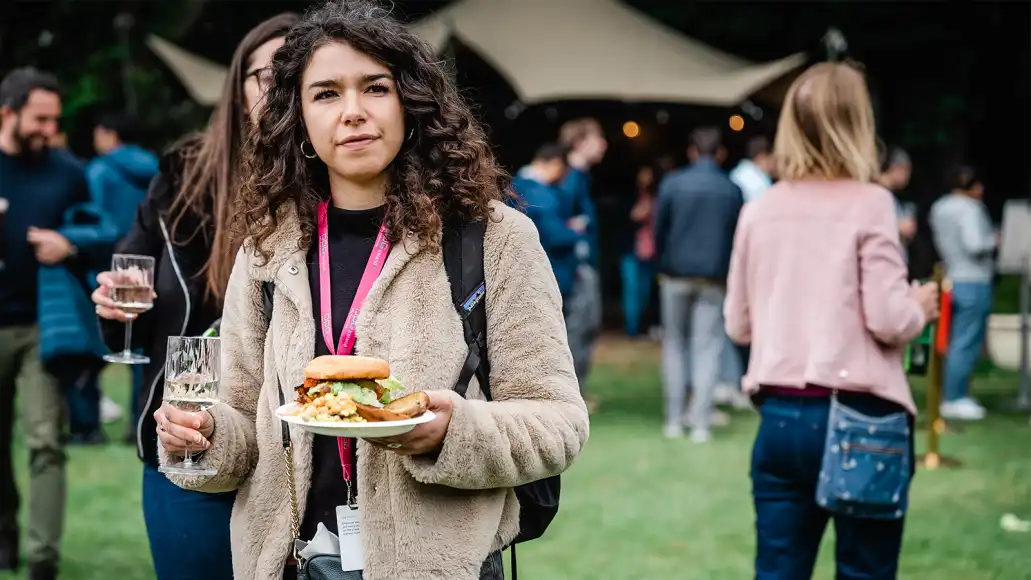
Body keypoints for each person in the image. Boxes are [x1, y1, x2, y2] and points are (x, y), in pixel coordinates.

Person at [150, 2, 589, 579]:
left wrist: (451, 432)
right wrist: (201, 433)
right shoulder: (266, 248)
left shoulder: (494, 239)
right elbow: (239, 424)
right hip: (288, 564)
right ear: (298, 119)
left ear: (411, 101)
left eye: (375, 87)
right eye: (326, 94)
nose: (353, 112)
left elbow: (559, 423)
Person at [90, 13, 300, 580]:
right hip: (191, 404)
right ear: (238, 89)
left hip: (299, 438)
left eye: (295, 74)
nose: (279, 90)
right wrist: (114, 307)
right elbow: (130, 284)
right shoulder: (184, 176)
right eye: (265, 77)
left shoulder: (339, 183)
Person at [725, 61, 939, 579]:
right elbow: (890, 318)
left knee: (778, 570)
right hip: (863, 416)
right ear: (860, 123)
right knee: (865, 571)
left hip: (780, 417)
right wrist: (921, 308)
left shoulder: (761, 208)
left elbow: (738, 323)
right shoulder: (872, 203)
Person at [0, 66, 87, 580]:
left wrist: (69, 244)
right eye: (39, 118)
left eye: (54, 120)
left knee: (44, 442)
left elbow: (106, 235)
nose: (49, 130)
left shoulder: (68, 172)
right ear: (7, 112)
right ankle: (4, 532)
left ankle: (42, 560)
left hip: (44, 327)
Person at [61, 112, 159, 445]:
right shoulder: (156, 167)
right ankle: (139, 424)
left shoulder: (100, 170)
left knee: (90, 353)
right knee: (138, 352)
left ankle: (87, 427)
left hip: (102, 271)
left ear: (108, 133)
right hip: (149, 269)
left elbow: (98, 223)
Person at [654, 126, 743, 442]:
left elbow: (659, 229)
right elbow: (737, 236)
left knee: (674, 346)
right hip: (714, 277)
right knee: (707, 348)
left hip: (675, 275)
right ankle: (701, 424)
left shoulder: (673, 183)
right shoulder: (731, 188)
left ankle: (674, 420)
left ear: (692, 151)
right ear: (720, 153)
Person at [929, 164, 996, 421]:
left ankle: (951, 393)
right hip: (974, 279)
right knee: (966, 342)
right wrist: (994, 240)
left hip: (950, 277)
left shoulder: (940, 207)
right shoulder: (971, 209)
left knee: (953, 339)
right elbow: (975, 244)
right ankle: (955, 397)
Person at [557, 118, 607, 405]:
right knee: (579, 326)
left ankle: (577, 392)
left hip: (581, 266)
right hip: (575, 268)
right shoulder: (569, 179)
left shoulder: (578, 177)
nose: (603, 144)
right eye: (596, 138)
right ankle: (572, 397)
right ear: (579, 143)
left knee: (585, 326)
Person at [514, 143, 586, 300]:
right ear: (555, 164)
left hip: (524, 272)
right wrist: (575, 231)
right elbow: (555, 235)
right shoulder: (539, 194)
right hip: (550, 272)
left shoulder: (514, 188)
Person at [621, 165, 657, 337]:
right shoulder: (629, 197)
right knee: (632, 290)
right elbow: (632, 216)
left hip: (650, 250)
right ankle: (632, 329)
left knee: (645, 291)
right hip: (632, 249)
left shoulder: (656, 196)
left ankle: (643, 326)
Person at [877, 146, 917, 249]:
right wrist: (897, 228)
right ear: (897, 168)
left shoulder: (890, 196)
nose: (909, 176)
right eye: (907, 170)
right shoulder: (876, 195)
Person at [729, 135, 774, 203]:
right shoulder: (761, 182)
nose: (775, 165)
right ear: (762, 157)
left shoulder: (736, 173)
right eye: (773, 159)